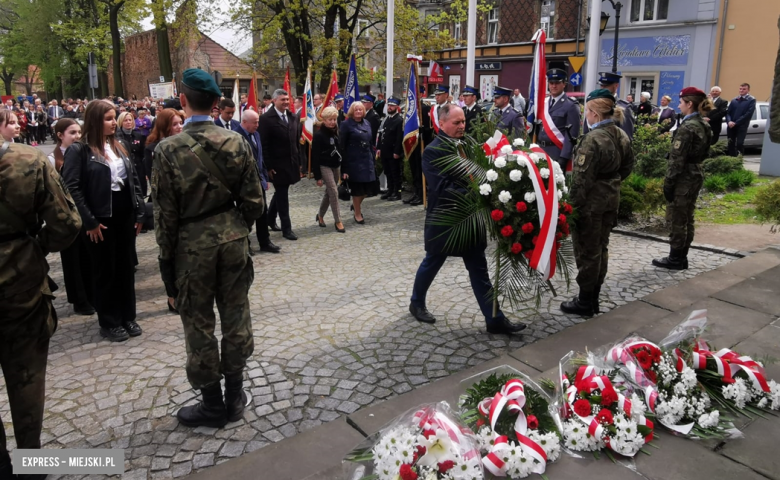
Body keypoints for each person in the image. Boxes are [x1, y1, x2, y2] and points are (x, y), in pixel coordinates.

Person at [152, 68, 264, 428]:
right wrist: (234, 228)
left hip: (190, 247)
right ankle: (235, 396)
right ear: (217, 103)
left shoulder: (167, 149)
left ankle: (213, 404)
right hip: (232, 242)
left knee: (197, 323)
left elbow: (164, 216)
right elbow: (255, 202)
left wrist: (166, 261)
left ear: (182, 101)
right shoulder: (236, 141)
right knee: (236, 316)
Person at [0, 124, 82, 480]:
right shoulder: (28, 160)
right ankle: (30, 463)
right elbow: (66, 223)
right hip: (19, 283)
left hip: (21, 280)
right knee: (27, 376)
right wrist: (34, 245)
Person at [408, 104, 526, 335]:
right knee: (432, 262)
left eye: (463, 122)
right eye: (456, 122)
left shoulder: (469, 145)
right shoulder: (433, 151)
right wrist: (482, 192)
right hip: (446, 220)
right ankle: (416, 302)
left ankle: (494, 320)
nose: (462, 126)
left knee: (479, 269)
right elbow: (442, 187)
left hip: (471, 221)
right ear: (441, 123)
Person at [61, 100, 146, 342]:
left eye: (114, 117)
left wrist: (140, 212)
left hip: (124, 213)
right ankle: (109, 321)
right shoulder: (80, 150)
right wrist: (89, 221)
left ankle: (128, 316)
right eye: (108, 118)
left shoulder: (119, 146)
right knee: (105, 270)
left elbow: (134, 181)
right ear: (95, 120)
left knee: (125, 267)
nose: (113, 122)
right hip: (99, 216)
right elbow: (71, 188)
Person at [560, 89, 634, 316]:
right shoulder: (621, 134)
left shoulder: (592, 139)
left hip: (591, 204)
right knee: (601, 249)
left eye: (587, 111)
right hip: (611, 200)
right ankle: (593, 297)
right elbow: (628, 167)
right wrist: (610, 182)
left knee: (587, 251)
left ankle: (584, 301)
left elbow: (581, 181)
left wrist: (571, 208)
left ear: (593, 113)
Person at [653, 87, 713, 271]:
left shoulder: (688, 127)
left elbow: (677, 160)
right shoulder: (704, 124)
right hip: (695, 173)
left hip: (684, 176)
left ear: (689, 104)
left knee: (678, 217)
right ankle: (681, 256)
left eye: (681, 102)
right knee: (688, 217)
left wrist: (669, 183)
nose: (678, 105)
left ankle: (676, 258)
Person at [47, 119, 95, 316]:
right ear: (60, 135)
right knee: (72, 259)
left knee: (87, 256)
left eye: (79, 132)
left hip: (84, 210)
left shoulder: (85, 153)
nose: (77, 136)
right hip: (66, 215)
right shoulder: (52, 159)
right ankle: (79, 299)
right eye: (72, 133)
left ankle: (92, 294)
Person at [258, 88, 302, 241]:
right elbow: (263, 145)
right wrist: (268, 167)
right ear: (274, 101)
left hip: (291, 163)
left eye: (287, 99)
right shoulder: (265, 119)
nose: (285, 102)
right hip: (276, 165)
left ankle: (270, 218)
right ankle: (286, 228)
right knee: (283, 195)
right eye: (282, 100)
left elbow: (297, 141)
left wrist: (300, 162)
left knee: (282, 191)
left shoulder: (293, 117)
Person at [235, 109, 281, 253]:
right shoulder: (236, 137)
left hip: (258, 181)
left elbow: (259, 158)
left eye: (258, 122)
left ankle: (265, 242)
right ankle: (245, 244)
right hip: (244, 183)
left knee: (262, 211)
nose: (257, 125)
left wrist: (264, 178)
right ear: (244, 122)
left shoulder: (256, 134)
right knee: (245, 213)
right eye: (254, 122)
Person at [340, 101, 378, 224]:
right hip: (353, 162)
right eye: (356, 110)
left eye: (360, 110)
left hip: (367, 160)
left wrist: (373, 158)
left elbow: (371, 142)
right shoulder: (346, 125)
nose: (358, 112)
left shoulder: (367, 123)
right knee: (357, 190)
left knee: (368, 190)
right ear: (352, 111)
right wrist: (344, 167)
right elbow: (342, 145)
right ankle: (357, 213)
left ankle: (355, 205)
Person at [537, 69, 581, 172]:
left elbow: (571, 135)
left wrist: (564, 158)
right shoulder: (544, 103)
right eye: (551, 83)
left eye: (557, 83)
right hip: (540, 151)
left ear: (564, 84)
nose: (554, 86)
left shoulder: (570, 105)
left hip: (557, 152)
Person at [311, 106, 345, 233]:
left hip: (336, 164)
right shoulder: (319, 135)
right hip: (324, 165)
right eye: (330, 119)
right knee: (334, 192)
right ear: (324, 120)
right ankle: (338, 220)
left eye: (334, 119)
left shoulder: (337, 132)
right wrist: (318, 177)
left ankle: (320, 215)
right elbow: (315, 156)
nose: (332, 122)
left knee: (329, 192)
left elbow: (341, 150)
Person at [583, 73, 635, 140]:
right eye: (601, 85)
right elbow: (586, 131)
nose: (602, 88)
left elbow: (626, 138)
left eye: (606, 86)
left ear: (616, 86)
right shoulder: (594, 103)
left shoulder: (624, 108)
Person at [404, 86, 430, 207]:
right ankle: (416, 192)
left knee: (420, 170)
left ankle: (421, 194)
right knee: (413, 168)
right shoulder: (410, 109)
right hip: (412, 143)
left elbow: (429, 129)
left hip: (421, 144)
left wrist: (422, 130)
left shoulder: (425, 108)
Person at [377, 97, 404, 201]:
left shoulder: (399, 120)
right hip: (385, 150)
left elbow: (399, 138)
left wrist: (397, 151)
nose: (389, 107)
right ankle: (390, 190)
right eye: (389, 105)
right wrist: (379, 148)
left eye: (392, 105)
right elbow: (381, 134)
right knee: (387, 171)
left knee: (395, 173)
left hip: (393, 151)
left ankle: (397, 192)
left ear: (397, 107)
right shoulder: (387, 119)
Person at [117, 111, 148, 196]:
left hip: (139, 168)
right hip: (125, 170)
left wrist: (145, 172)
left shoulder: (139, 136)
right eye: (125, 120)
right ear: (121, 122)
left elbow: (143, 154)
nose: (128, 122)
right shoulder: (117, 137)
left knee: (141, 193)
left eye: (130, 120)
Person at [725, 83, 756, 156]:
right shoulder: (734, 100)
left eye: (744, 89)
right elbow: (728, 112)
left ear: (748, 90)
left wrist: (736, 122)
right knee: (730, 143)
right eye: (740, 89)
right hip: (731, 125)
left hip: (742, 125)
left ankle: (739, 159)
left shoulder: (751, 100)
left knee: (739, 143)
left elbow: (748, 114)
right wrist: (729, 121)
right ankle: (732, 159)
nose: (741, 90)